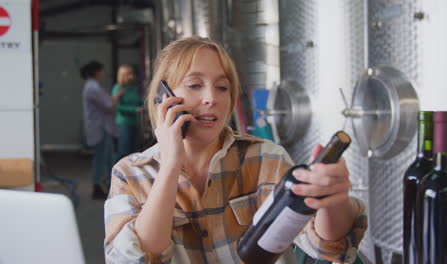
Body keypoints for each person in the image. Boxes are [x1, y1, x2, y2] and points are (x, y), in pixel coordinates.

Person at [104, 37, 367, 263]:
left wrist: (333, 201)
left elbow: (326, 245)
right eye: (195, 85)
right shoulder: (130, 173)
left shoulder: (266, 158)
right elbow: (131, 259)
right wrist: (170, 165)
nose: (212, 98)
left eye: (222, 87)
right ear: (164, 97)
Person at [81, 60, 125, 200]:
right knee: (101, 158)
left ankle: (102, 184)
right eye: (101, 71)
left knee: (105, 157)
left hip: (102, 126)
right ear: (96, 72)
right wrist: (118, 95)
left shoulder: (92, 86)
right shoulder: (92, 87)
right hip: (100, 127)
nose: (103, 74)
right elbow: (108, 105)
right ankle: (97, 186)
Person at [112, 64, 144, 161]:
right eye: (128, 74)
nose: (131, 76)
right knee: (124, 152)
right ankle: (116, 172)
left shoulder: (133, 88)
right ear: (122, 75)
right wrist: (134, 109)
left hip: (135, 122)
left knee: (134, 152)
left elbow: (138, 101)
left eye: (132, 74)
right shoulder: (118, 88)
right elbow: (117, 107)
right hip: (124, 123)